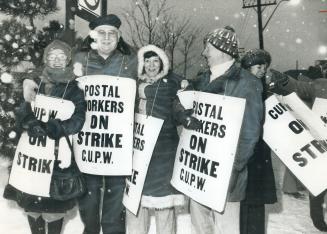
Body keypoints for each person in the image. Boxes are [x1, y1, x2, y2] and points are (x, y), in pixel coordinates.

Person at [179, 26, 263, 234]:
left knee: (226, 228)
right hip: (199, 168)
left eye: (208, 47)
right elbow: (181, 104)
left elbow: (250, 132)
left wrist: (233, 168)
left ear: (222, 50)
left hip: (226, 174)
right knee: (200, 226)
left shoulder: (248, 83)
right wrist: (184, 115)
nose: (204, 53)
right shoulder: (201, 79)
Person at [3, 39, 86, 234]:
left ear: (68, 60)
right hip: (33, 155)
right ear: (46, 59)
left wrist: (56, 128)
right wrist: (30, 123)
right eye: (52, 56)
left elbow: (79, 119)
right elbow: (22, 110)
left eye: (61, 56)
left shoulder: (74, 88)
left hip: (57, 156)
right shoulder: (35, 83)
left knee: (53, 207)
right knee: (32, 206)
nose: (57, 60)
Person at [73, 14, 137, 234]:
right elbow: (55, 67)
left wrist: (184, 84)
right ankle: (90, 230)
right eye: (102, 33)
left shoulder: (131, 60)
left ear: (118, 37)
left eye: (112, 34)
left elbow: (156, 72)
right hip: (88, 141)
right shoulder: (80, 58)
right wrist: (30, 80)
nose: (107, 38)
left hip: (116, 144)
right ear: (93, 36)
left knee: (116, 196)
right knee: (88, 196)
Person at [125, 44, 193, 234]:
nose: (151, 65)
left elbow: (179, 105)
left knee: (164, 201)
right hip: (138, 147)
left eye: (156, 61)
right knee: (136, 199)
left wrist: (185, 117)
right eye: (147, 61)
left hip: (164, 148)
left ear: (162, 63)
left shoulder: (172, 83)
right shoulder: (134, 83)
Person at [269, 68, 327, 232]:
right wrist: (285, 80)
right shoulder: (322, 86)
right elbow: (301, 87)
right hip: (321, 144)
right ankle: (317, 219)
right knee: (319, 183)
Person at [239, 49, 277, 234]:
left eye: (265, 66)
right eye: (258, 66)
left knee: (256, 199)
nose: (263, 70)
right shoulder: (242, 88)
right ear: (247, 68)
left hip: (260, 152)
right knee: (246, 199)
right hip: (246, 150)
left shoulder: (265, 91)